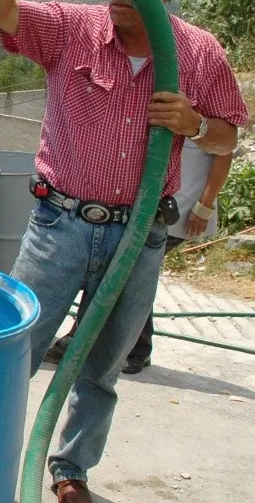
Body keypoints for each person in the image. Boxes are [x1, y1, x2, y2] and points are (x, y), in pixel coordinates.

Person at [0, 0, 249, 503]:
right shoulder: (73, 30)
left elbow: (227, 137)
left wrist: (195, 125)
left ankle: (70, 469)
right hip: (60, 224)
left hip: (139, 234)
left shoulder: (199, 53)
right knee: (15, 349)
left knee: (102, 365)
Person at [45, 145, 235, 373]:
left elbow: (224, 153)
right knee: (132, 274)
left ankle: (88, 343)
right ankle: (135, 348)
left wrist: (204, 206)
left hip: (178, 210)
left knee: (121, 272)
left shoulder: (204, 113)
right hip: (149, 206)